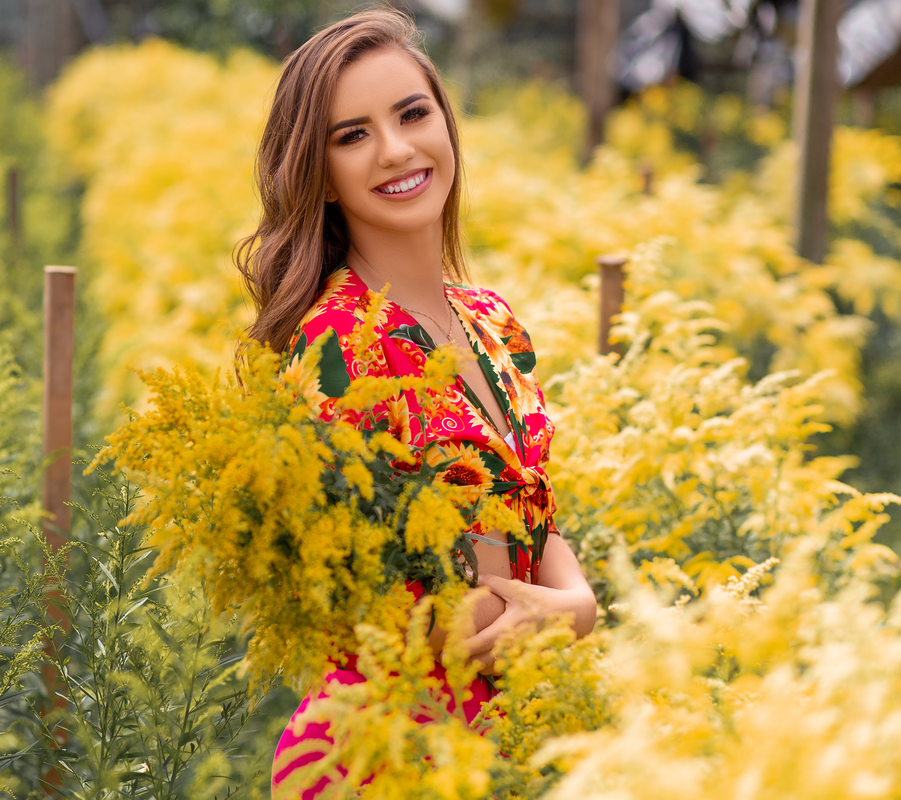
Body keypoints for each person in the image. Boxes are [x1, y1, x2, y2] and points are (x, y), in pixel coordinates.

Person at [235, 8, 597, 798]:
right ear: (319, 176)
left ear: (446, 126)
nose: (396, 150)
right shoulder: (333, 347)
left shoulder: (493, 319)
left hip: (518, 719)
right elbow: (356, 587)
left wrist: (576, 606)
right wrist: (521, 625)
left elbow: (535, 512)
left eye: (412, 114)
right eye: (352, 135)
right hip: (387, 745)